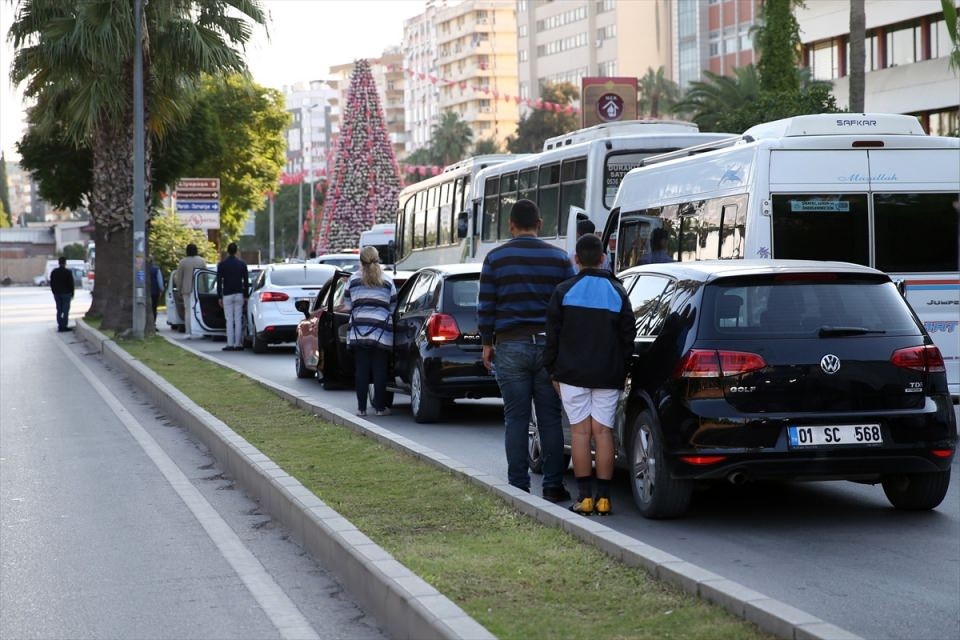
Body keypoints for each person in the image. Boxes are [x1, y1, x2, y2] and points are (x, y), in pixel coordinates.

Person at [478, 199, 575, 502]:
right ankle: (553, 485)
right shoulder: (560, 259)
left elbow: (486, 305)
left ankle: (518, 485)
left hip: (510, 345)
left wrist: (487, 343)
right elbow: (568, 306)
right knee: (549, 418)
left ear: (511, 225)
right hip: (548, 347)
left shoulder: (495, 259)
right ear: (539, 224)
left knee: (516, 418)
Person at [545, 234, 637, 516]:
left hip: (572, 374)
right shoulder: (618, 291)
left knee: (580, 433)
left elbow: (553, 337)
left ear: (576, 259)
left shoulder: (563, 291)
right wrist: (621, 370)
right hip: (608, 374)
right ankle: (605, 499)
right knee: (604, 432)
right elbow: (628, 337)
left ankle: (584, 498)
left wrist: (553, 371)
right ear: (602, 258)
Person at [342, 246, 396, 417]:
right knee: (380, 370)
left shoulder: (353, 281)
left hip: (359, 331)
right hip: (381, 331)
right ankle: (380, 408)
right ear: (377, 259)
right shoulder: (387, 281)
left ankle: (361, 409)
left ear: (361, 261)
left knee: (362, 370)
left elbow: (347, 306)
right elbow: (392, 307)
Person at [216, 242, 249, 351]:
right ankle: (238, 344)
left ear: (228, 251)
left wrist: (219, 296)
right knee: (238, 319)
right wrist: (246, 295)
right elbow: (245, 281)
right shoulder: (242, 264)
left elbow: (219, 282)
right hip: (239, 294)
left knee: (229, 319)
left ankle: (230, 343)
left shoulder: (222, 265)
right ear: (236, 251)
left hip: (227, 294)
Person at [174, 243, 206, 339]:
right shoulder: (201, 261)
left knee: (188, 311)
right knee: (198, 310)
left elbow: (179, 278)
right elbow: (205, 276)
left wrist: (179, 289)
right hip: (199, 290)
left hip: (187, 289)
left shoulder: (183, 262)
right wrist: (206, 288)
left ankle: (189, 331)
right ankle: (199, 331)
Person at [49, 256, 75, 332]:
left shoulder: (54, 272)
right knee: (66, 310)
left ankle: (60, 325)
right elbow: (71, 283)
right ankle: (64, 325)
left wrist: (54, 291)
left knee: (59, 310)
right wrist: (72, 293)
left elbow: (52, 283)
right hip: (66, 293)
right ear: (65, 263)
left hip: (57, 293)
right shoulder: (68, 272)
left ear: (59, 262)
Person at [149, 260, 164, 331]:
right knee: (154, 309)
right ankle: (153, 324)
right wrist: (161, 290)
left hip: (145, 292)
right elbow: (160, 281)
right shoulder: (156, 269)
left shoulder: (142, 269)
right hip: (155, 292)